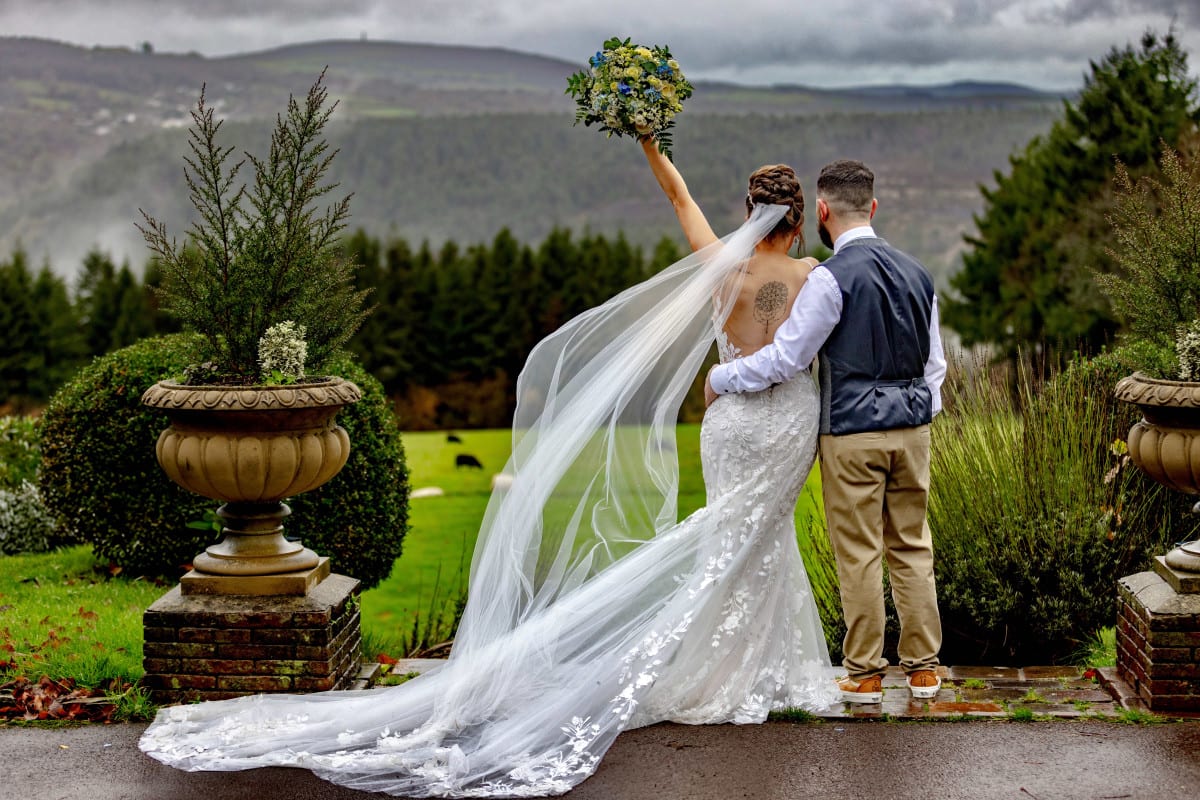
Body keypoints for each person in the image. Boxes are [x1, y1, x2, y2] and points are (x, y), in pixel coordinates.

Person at [138, 140, 839, 797]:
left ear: (749, 213)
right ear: (798, 217)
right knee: (755, 534)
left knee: (730, 537)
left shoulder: (723, 268)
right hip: (783, 424)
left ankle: (739, 669)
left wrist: (653, 147)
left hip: (729, 425)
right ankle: (749, 672)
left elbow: (680, 202)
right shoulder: (809, 276)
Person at [705, 159, 947, 704]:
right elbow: (936, 367)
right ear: (874, 206)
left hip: (851, 431)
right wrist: (920, 413)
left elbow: (786, 360)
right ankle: (925, 670)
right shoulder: (919, 273)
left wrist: (722, 376)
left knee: (858, 551)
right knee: (912, 544)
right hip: (913, 429)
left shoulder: (829, 279)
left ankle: (864, 673)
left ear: (821, 210)